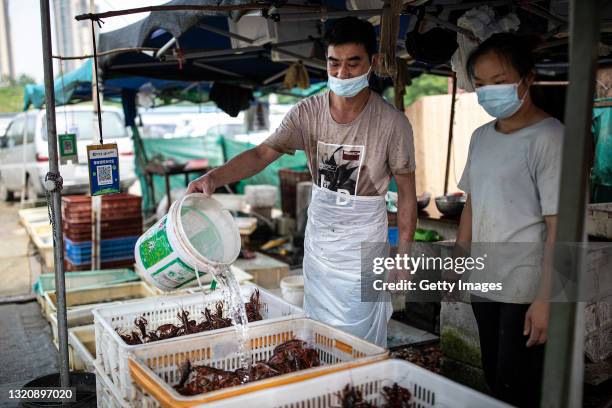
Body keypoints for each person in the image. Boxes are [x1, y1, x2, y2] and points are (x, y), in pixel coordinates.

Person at [188, 17, 418, 347]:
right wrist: (213, 178)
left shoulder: (393, 123)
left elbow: (407, 197)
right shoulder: (306, 113)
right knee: (319, 332)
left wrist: (404, 258)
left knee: (360, 336)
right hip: (322, 239)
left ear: (374, 63)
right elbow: (261, 154)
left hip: (364, 241)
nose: (342, 74)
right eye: (334, 63)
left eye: (353, 64)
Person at [456, 33, 563, 407]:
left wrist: (546, 299)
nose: (489, 93)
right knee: (494, 378)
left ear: (527, 78)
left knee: (519, 387)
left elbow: (559, 227)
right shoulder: (480, 137)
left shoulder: (550, 137)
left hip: (527, 286)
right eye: (481, 85)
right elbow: (472, 204)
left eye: (499, 82)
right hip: (486, 280)